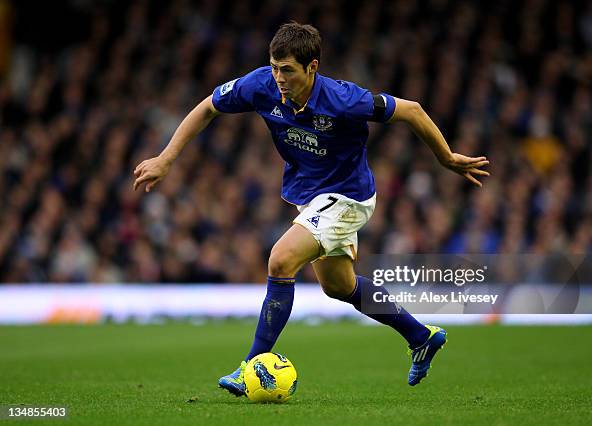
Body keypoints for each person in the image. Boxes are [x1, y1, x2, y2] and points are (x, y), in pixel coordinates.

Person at [133, 22, 489, 394]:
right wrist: (166, 158)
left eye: (288, 70)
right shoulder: (261, 85)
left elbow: (412, 110)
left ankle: (250, 366)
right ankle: (420, 336)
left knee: (280, 260)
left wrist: (446, 157)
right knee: (339, 286)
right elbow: (208, 107)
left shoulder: (343, 98)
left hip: (349, 196)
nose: (279, 78)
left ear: (312, 67)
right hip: (313, 195)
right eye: (274, 67)